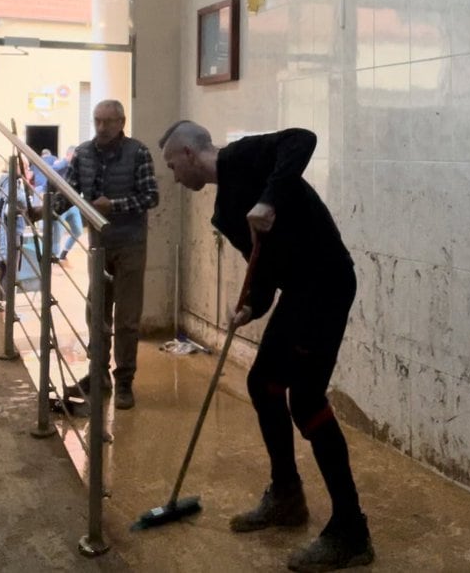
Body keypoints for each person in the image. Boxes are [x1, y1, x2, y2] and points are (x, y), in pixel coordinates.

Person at [159, 122, 374, 572]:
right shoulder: (223, 211)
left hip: (327, 280)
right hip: (298, 290)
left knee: (307, 401)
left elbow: (303, 139)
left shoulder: (243, 156)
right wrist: (251, 307)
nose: (174, 176)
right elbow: (268, 273)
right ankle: (287, 495)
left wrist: (268, 199)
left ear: (187, 151)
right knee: (263, 384)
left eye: (172, 165)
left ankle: (351, 531)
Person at [53, 100, 159, 410]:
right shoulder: (83, 153)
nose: (102, 127)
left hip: (130, 243)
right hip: (98, 244)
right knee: (95, 314)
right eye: (97, 121)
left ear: (122, 122)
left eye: (108, 122)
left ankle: (124, 380)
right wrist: (42, 211)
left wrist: (113, 205)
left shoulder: (138, 152)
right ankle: (97, 376)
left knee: (126, 318)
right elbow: (68, 192)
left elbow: (150, 196)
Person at [0, 162, 29, 305]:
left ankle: (1, 304)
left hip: (1, 230)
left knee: (4, 269)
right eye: (25, 166)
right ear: (17, 167)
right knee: (10, 271)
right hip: (10, 231)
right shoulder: (12, 182)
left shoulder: (2, 181)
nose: (27, 170)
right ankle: (7, 305)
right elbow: (17, 203)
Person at [51, 146, 84, 261]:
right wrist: (66, 161)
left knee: (78, 230)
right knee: (58, 235)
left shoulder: (77, 169)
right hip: (60, 204)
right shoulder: (60, 165)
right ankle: (53, 260)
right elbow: (53, 169)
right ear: (69, 155)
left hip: (73, 205)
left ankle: (64, 252)